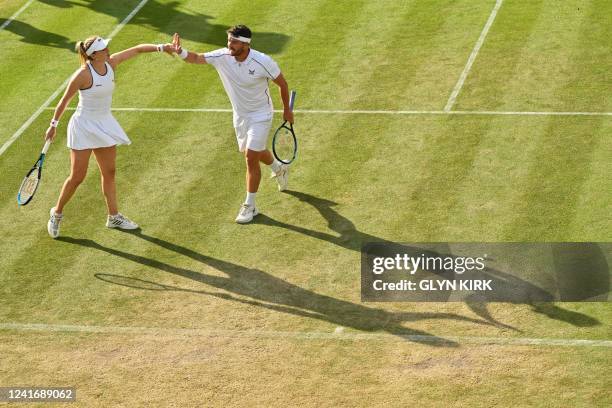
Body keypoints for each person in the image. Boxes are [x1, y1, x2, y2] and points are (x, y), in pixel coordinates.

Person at [45, 36, 173, 238]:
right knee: (77, 176)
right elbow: (64, 100)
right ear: (93, 55)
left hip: (104, 123)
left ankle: (113, 217)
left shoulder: (111, 63)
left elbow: (137, 49)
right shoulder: (82, 75)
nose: (108, 49)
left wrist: (161, 47)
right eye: (104, 48)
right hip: (83, 126)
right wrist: (53, 125)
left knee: (109, 172)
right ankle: (57, 212)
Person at [172, 25, 293, 223]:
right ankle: (279, 168)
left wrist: (287, 110)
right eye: (229, 40)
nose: (230, 45)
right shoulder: (223, 56)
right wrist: (180, 51)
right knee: (252, 151)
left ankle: (250, 206)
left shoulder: (263, 61)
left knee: (250, 157)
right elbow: (196, 58)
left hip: (261, 115)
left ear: (246, 44)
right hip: (240, 116)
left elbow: (282, 84)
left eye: (235, 42)